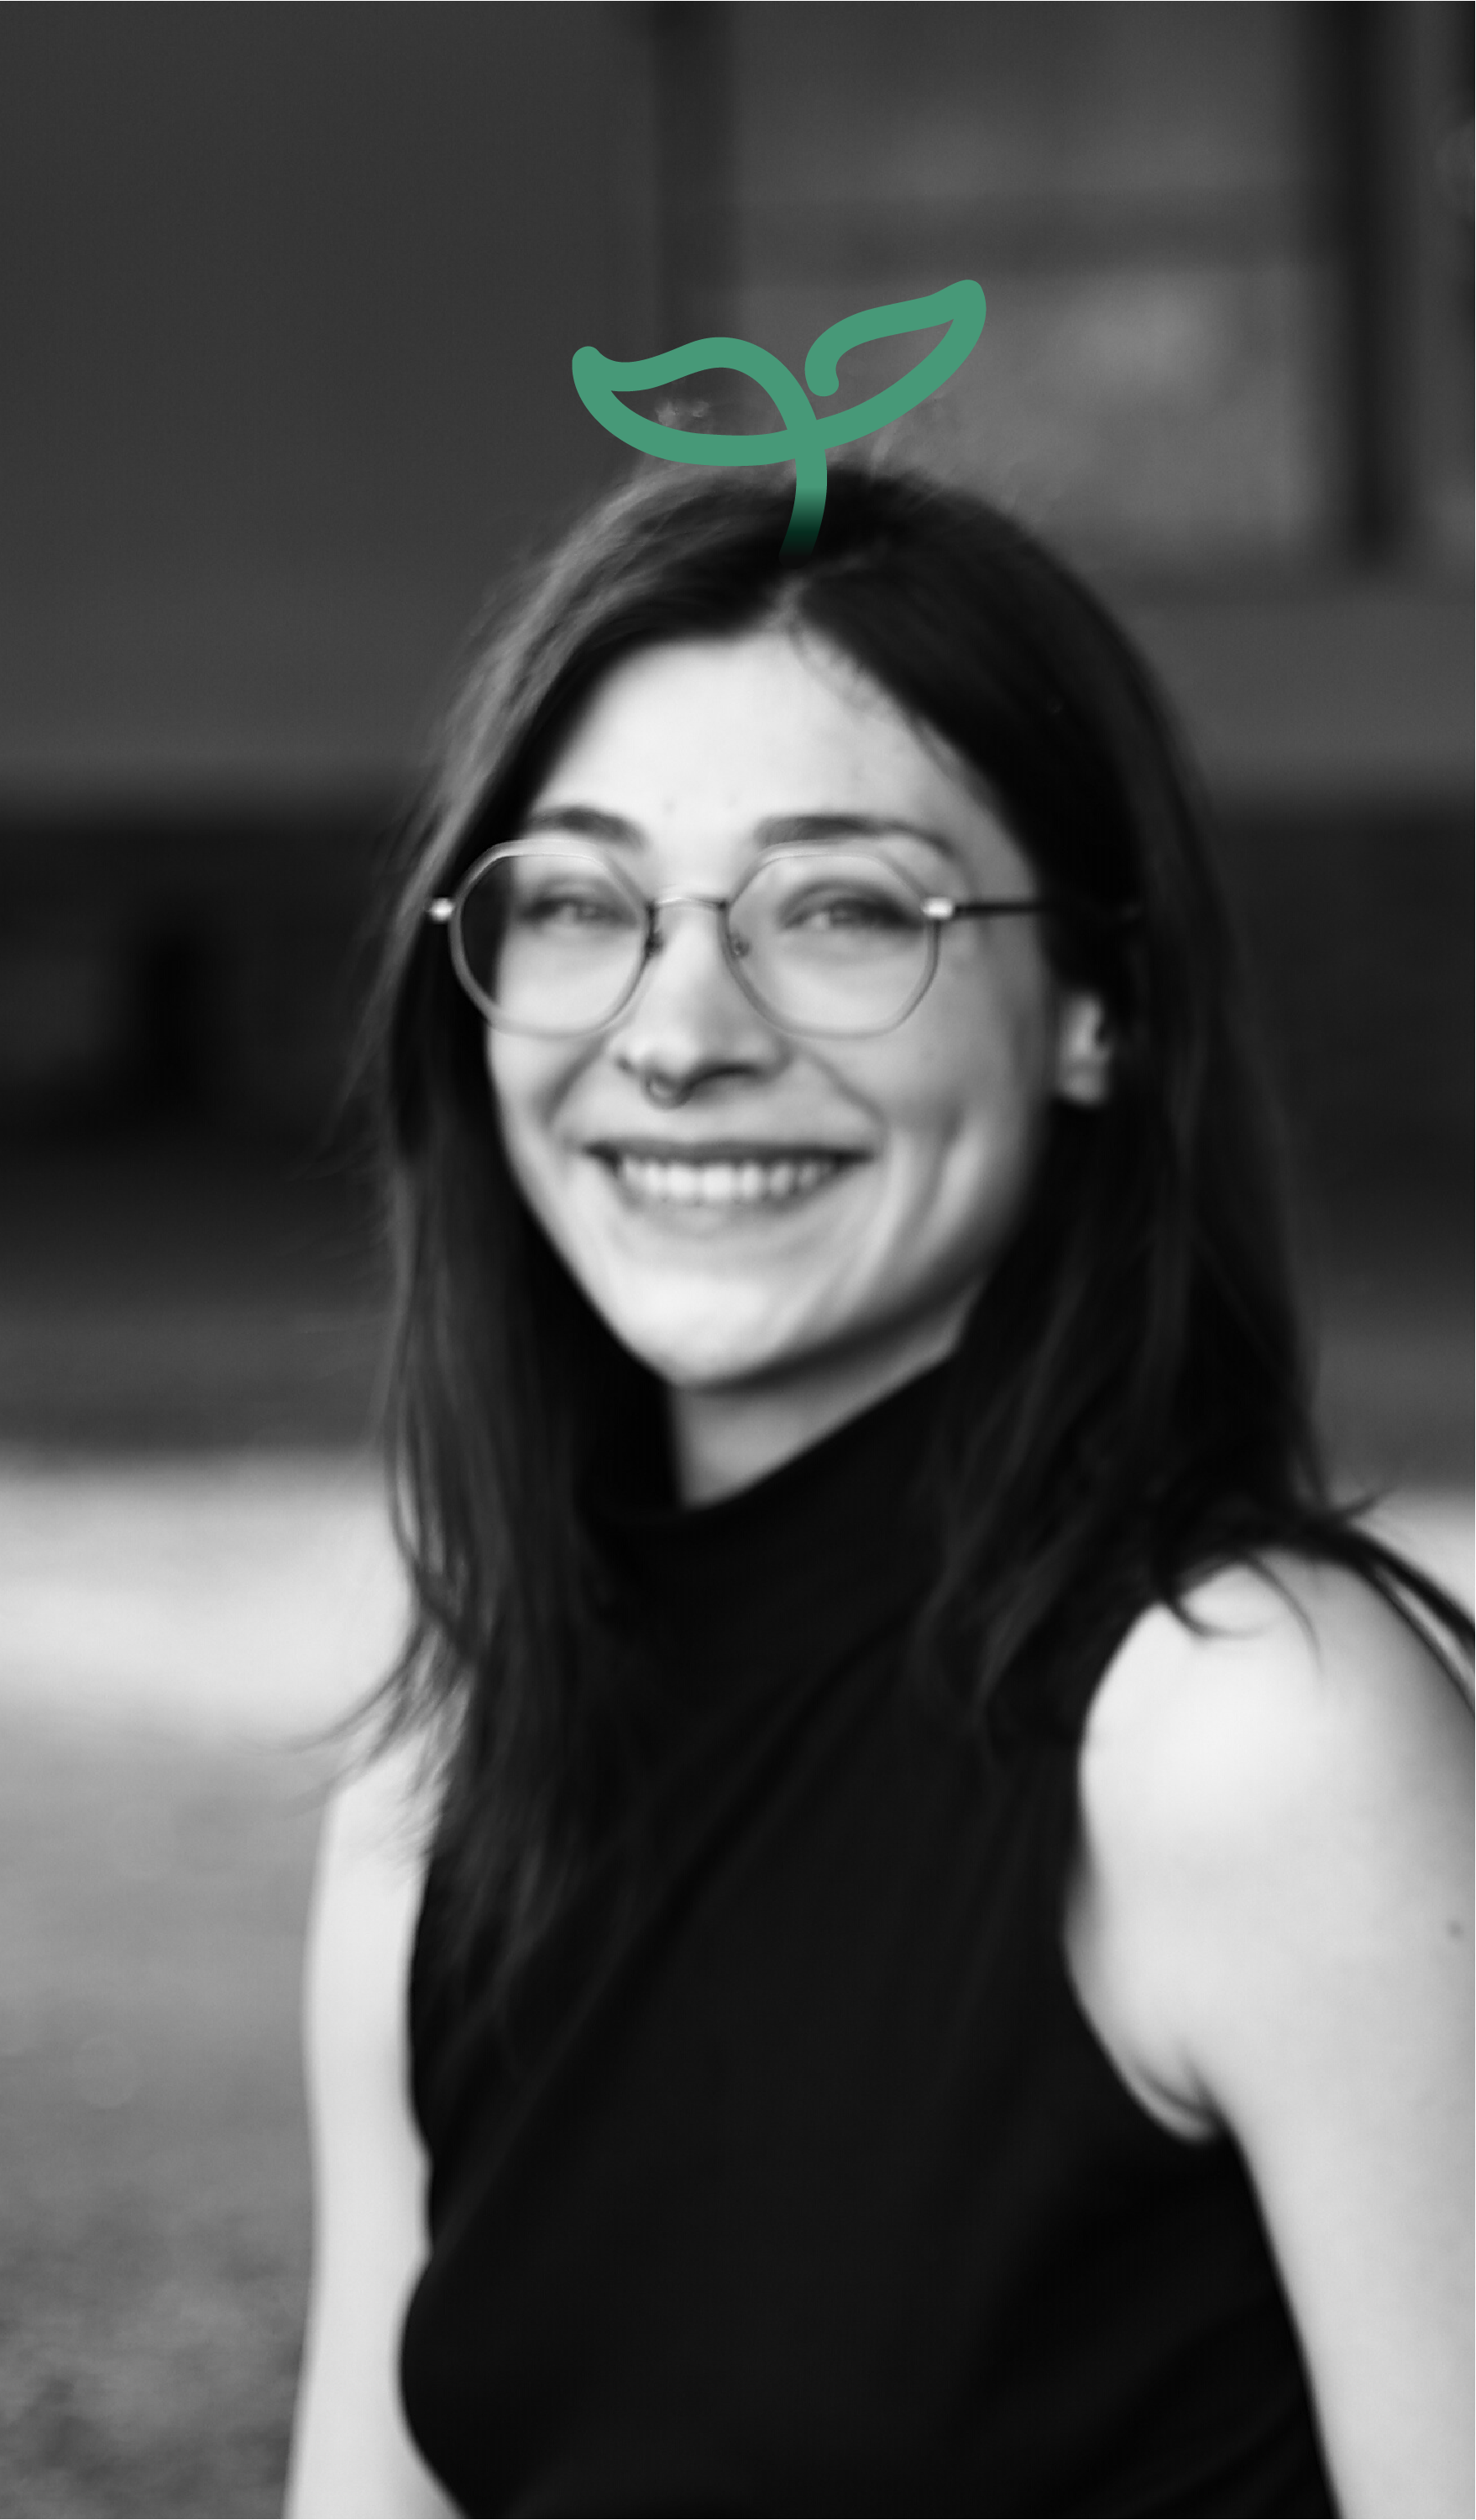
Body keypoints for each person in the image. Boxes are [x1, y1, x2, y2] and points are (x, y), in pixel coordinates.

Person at [286, 463, 1473, 2519]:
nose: (674, 1037)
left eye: (839, 908)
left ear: (1095, 1006)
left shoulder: (1246, 1739)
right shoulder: (444, 1789)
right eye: (577, 902)